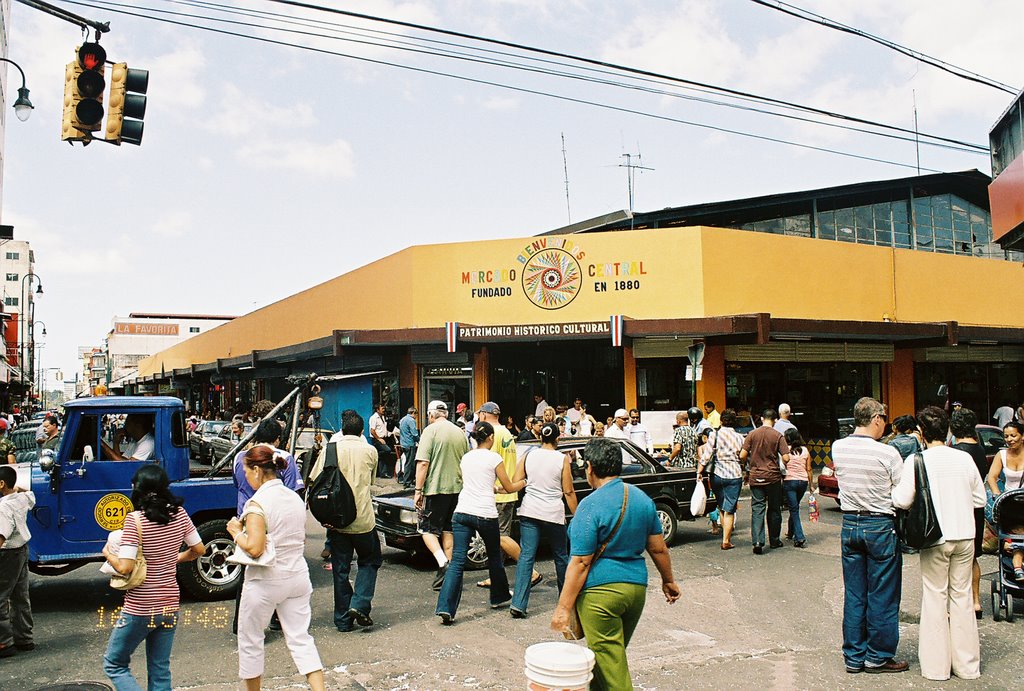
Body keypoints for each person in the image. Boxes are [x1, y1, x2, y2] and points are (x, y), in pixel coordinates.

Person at [550, 438, 681, 690]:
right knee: (604, 663)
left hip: (601, 596)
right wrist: (668, 581)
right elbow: (658, 547)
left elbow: (580, 562)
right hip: (635, 591)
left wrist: (563, 608)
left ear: (589, 467)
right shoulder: (642, 499)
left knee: (610, 666)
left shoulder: (589, 506)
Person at [892, 406, 984, 681]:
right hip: (965, 534)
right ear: (948, 430)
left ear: (921, 432)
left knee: (935, 597)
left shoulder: (917, 461)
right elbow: (979, 499)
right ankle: (968, 666)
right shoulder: (964, 459)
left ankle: (937, 667)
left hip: (935, 537)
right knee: (962, 596)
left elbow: (902, 500)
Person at [228, 446, 325, 691]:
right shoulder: (293, 497)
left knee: (250, 640)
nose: (246, 478)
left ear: (257, 470)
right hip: (298, 576)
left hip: (265, 580)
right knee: (301, 638)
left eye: (247, 472)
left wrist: (236, 533)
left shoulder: (257, 503)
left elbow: (255, 548)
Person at [102, 465, 206, 690]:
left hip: (140, 607)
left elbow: (125, 567)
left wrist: (107, 554)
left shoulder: (135, 520)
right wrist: (172, 559)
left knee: (114, 664)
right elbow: (199, 549)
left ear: (137, 489)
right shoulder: (180, 514)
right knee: (159, 669)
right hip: (169, 605)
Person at [831, 397, 907, 674]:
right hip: (880, 525)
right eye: (884, 419)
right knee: (883, 594)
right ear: (876, 419)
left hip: (850, 523)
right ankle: (878, 655)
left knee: (855, 593)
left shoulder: (838, 447)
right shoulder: (888, 454)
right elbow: (901, 495)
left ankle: (853, 655)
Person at [435, 421, 525, 624]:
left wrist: (490, 488)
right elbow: (509, 487)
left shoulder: (466, 457)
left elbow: (473, 482)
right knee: (494, 557)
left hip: (462, 511)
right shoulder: (494, 458)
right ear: (491, 438)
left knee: (457, 561)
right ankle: (499, 596)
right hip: (485, 514)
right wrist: (524, 482)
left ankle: (446, 608)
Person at [308, 412, 382, 632]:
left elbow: (315, 481)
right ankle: (359, 603)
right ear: (361, 431)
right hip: (363, 520)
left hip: (337, 521)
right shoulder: (370, 451)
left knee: (340, 569)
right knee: (369, 561)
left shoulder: (330, 449)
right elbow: (371, 481)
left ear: (342, 428)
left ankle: (342, 620)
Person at [509, 422, 578, 618]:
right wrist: (578, 514)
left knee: (526, 557)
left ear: (540, 438)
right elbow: (568, 491)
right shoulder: (562, 459)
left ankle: (519, 603)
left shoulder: (528, 455)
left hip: (529, 511)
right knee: (560, 556)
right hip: (553, 514)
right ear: (557, 439)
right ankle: (566, 603)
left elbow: (516, 480)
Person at [474, 402, 539, 589]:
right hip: (507, 491)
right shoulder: (507, 433)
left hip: (498, 492)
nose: (479, 418)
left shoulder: (491, 435)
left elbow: (487, 463)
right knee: (497, 540)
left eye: (480, 415)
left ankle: (531, 571)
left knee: (500, 537)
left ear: (485, 415)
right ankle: (496, 576)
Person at [415, 401, 469, 590]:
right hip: (457, 488)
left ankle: (443, 563)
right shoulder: (459, 432)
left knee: (426, 530)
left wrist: (417, 490)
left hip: (435, 488)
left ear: (431, 415)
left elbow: (423, 463)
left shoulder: (430, 431)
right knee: (449, 531)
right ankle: (450, 577)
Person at [949, 408, 988, 618]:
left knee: (954, 558)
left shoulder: (957, 451)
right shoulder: (980, 450)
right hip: (977, 508)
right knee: (973, 557)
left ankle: (954, 604)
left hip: (959, 507)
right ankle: (976, 601)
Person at [739, 409, 790, 554]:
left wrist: (748, 464)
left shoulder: (752, 434)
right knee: (774, 509)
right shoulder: (777, 435)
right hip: (773, 477)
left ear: (762, 418)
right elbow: (786, 458)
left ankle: (757, 541)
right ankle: (774, 540)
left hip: (756, 476)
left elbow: (742, 455)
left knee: (757, 509)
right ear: (774, 420)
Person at [698, 410, 745, 549]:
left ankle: (725, 537)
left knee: (722, 507)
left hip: (717, 474)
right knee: (730, 509)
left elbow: (706, 456)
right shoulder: (739, 437)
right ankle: (726, 540)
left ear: (721, 421)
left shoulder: (714, 435)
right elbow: (744, 456)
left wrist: (699, 472)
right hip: (735, 474)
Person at [0, 465, 34, 658]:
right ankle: (24, 638)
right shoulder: (23, 498)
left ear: (1, 484)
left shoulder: (3, 507)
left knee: (1, 597)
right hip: (22, 550)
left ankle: (4, 642)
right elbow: (29, 493)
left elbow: (1, 536)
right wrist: (14, 488)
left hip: (8, 554)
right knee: (21, 596)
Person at [782, 428, 812, 548]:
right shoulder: (805, 450)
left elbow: (782, 465)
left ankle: (799, 537)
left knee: (794, 509)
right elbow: (809, 468)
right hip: (803, 482)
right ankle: (790, 532)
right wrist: (811, 485)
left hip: (790, 482)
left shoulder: (785, 451)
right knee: (794, 507)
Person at [986, 421, 1024, 499]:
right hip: (1008, 501)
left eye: (1013, 436)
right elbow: (991, 477)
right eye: (1006, 436)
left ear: (1022, 436)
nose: (1009, 439)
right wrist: (997, 495)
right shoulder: (1001, 455)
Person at [368, 403, 394, 479]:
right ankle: (382, 471)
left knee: (383, 456)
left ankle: (381, 473)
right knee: (387, 450)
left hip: (384, 438)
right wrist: (379, 438)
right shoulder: (374, 418)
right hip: (377, 439)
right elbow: (372, 431)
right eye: (382, 409)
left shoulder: (382, 417)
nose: (384, 410)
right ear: (377, 410)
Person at [398, 407, 420, 488]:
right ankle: (407, 482)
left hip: (404, 444)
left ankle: (408, 480)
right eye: (416, 414)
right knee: (409, 464)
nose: (416, 417)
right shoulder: (411, 420)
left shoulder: (402, 419)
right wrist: (420, 441)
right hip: (410, 444)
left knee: (408, 462)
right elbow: (414, 433)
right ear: (413, 413)